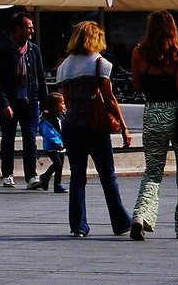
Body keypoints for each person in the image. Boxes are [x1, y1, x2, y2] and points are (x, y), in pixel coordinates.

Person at [129, 10, 178, 240]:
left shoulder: (138, 53)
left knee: (152, 172)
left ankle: (142, 215)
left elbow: (138, 87)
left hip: (153, 113)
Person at [57, 20, 133, 238]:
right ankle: (120, 222)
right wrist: (124, 127)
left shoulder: (66, 66)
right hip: (95, 126)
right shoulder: (100, 64)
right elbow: (109, 99)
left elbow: (68, 99)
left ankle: (78, 225)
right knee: (107, 175)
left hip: (73, 125)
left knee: (77, 176)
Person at [0, 12, 49, 189]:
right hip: (10, 101)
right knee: (8, 138)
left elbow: (40, 76)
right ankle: (7, 174)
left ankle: (31, 176)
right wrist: (3, 103)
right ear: (17, 29)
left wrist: (44, 103)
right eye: (28, 27)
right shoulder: (2, 51)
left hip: (29, 100)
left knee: (30, 138)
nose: (32, 30)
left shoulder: (33, 49)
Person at [37, 93, 67, 193]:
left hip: (61, 145)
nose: (64, 105)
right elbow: (49, 133)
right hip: (52, 146)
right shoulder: (47, 119)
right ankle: (45, 176)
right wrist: (58, 143)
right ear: (55, 106)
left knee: (60, 165)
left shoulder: (61, 117)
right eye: (62, 103)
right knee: (57, 163)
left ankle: (57, 184)